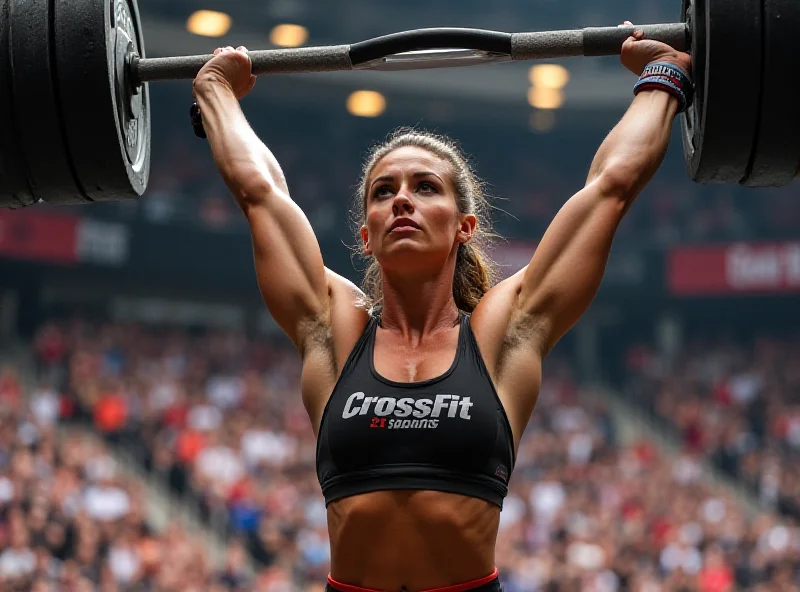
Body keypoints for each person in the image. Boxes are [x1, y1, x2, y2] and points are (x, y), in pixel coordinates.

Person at [191, 21, 692, 592]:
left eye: (425, 187)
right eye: (384, 191)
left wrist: (663, 74)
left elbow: (610, 187)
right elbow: (261, 192)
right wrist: (214, 88)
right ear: (366, 233)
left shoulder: (506, 331)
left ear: (464, 227)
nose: (402, 197)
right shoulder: (333, 327)